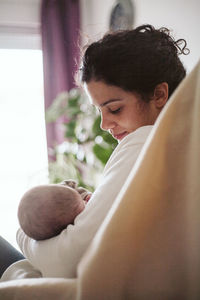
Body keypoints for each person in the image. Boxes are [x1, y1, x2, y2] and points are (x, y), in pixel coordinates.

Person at [0, 24, 189, 280]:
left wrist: (24, 234)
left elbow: (69, 260)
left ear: (159, 94)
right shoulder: (179, 145)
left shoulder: (145, 141)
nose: (104, 125)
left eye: (115, 109)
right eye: (99, 111)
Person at [17, 181, 91, 241]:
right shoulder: (77, 231)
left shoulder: (65, 192)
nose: (85, 201)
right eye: (83, 204)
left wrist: (85, 195)